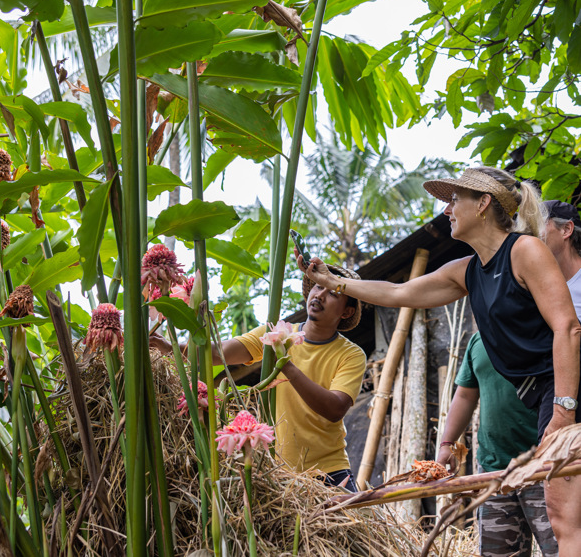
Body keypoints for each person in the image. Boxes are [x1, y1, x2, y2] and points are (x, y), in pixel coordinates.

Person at [296, 166, 581, 555]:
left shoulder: (525, 250)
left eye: (454, 200)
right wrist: (333, 282)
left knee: (564, 519)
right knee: (564, 516)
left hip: (564, 391)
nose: (447, 210)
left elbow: (568, 328)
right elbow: (398, 293)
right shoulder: (466, 272)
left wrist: (564, 411)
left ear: (483, 204)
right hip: (542, 396)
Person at [154, 265, 367, 492]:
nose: (320, 295)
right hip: (279, 473)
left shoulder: (350, 354)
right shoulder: (277, 332)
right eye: (318, 286)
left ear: (346, 312)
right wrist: (170, 347)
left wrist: (285, 364)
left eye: (333, 293)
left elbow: (334, 409)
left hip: (329, 474)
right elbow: (218, 353)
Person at [437, 332, 558, 557]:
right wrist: (446, 444)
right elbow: (464, 395)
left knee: (563, 549)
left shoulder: (549, 330)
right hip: (495, 470)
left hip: (549, 468)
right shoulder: (479, 339)